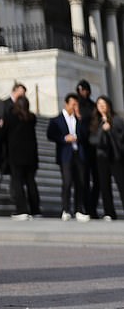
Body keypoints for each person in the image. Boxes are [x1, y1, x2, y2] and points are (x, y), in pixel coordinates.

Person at [47, 93, 90, 222]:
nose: (75, 106)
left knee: (81, 182)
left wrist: (79, 120)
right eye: (73, 104)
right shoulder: (56, 120)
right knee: (67, 181)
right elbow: (50, 134)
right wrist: (64, 138)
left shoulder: (79, 119)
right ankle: (66, 209)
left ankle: (78, 209)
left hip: (79, 153)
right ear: (66, 104)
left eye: (76, 104)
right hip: (65, 154)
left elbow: (85, 134)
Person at [0, 95, 40, 220]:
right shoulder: (31, 118)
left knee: (18, 182)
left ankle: (22, 210)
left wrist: (1, 126)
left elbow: (1, 135)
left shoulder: (10, 117)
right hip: (31, 155)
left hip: (16, 155)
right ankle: (35, 210)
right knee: (31, 182)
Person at [89, 95, 124, 221]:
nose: (101, 107)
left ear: (108, 105)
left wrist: (111, 129)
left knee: (121, 184)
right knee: (104, 185)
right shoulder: (95, 122)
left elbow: (122, 137)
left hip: (116, 157)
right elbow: (93, 140)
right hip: (102, 157)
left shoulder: (117, 120)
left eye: (103, 104)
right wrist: (103, 130)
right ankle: (109, 212)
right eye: (99, 105)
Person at [76, 79, 100, 217]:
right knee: (84, 179)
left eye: (84, 89)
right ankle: (87, 207)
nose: (82, 92)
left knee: (97, 180)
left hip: (93, 146)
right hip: (81, 146)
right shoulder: (77, 105)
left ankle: (93, 206)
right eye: (80, 90)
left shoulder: (93, 106)